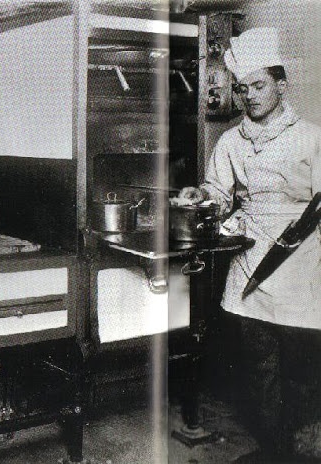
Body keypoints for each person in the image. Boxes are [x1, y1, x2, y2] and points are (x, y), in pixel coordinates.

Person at [179, 27, 321, 462]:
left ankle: (298, 450)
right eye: (242, 89)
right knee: (259, 368)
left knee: (301, 371)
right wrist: (202, 196)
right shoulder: (230, 141)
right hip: (249, 260)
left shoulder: (311, 138)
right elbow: (220, 193)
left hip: (301, 259)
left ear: (281, 85)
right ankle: (274, 450)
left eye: (258, 86)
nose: (249, 97)